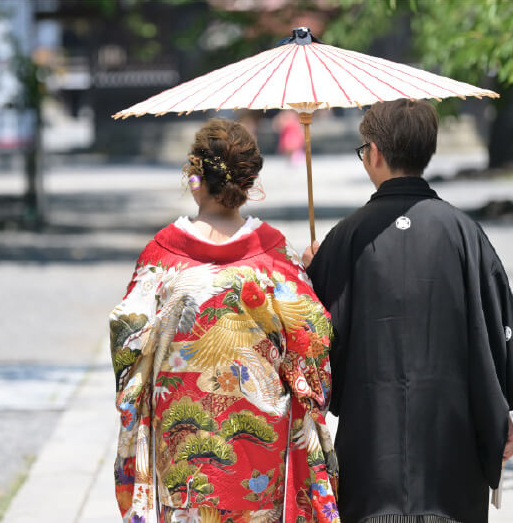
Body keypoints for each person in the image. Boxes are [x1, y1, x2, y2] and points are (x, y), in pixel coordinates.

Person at [302, 99, 513, 523]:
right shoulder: (465, 233)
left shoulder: (346, 237)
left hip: (371, 453)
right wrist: (497, 410)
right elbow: (496, 332)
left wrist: (309, 277)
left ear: (374, 152)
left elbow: (314, 346)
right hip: (454, 452)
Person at [110, 119, 340, 523]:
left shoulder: (162, 258)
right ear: (248, 185)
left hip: (180, 441)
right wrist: (309, 277)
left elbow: (127, 340)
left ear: (194, 177)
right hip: (258, 446)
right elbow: (315, 341)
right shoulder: (274, 259)